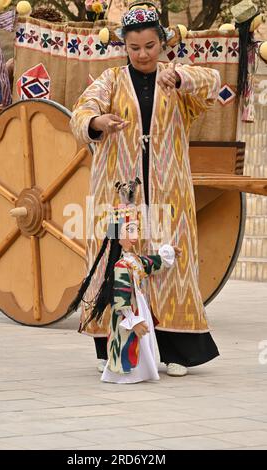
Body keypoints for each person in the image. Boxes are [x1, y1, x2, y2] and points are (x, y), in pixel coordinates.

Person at [70, 7, 221, 377]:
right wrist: (97, 122)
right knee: (119, 262)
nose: (142, 54)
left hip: (169, 191)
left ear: (163, 43)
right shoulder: (110, 80)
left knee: (169, 261)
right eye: (134, 47)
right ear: (124, 45)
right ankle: (114, 346)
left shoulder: (177, 80)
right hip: (121, 192)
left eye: (150, 45)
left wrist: (181, 77)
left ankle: (174, 351)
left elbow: (213, 82)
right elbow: (81, 112)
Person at [67, 179, 182, 383]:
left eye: (136, 230)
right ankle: (121, 374)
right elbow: (120, 299)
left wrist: (169, 252)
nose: (135, 236)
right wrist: (133, 320)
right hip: (129, 312)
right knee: (126, 340)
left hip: (139, 307)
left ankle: (140, 371)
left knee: (140, 344)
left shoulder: (133, 260)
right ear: (118, 236)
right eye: (129, 230)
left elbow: (150, 263)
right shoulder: (121, 266)